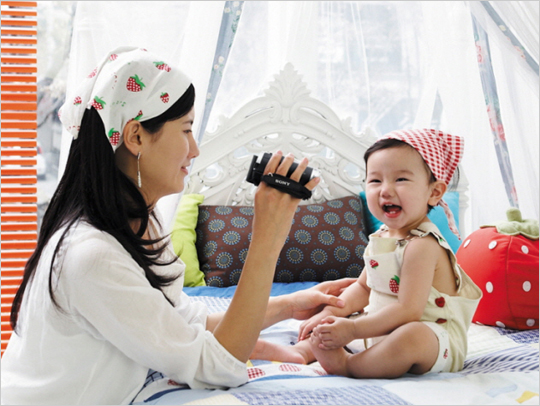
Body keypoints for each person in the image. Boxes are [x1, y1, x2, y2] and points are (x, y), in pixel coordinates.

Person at [0, 46, 355, 405]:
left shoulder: (137, 223)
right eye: (186, 129)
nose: (195, 149)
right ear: (136, 136)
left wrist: (288, 306)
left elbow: (183, 324)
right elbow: (217, 366)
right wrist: (268, 236)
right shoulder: (90, 257)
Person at [251, 129, 482, 379]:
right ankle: (302, 352)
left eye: (401, 179)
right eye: (375, 181)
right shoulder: (381, 237)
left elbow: (408, 311)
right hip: (383, 329)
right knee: (338, 317)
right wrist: (333, 313)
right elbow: (363, 288)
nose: (385, 190)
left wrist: (352, 329)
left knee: (411, 335)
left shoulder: (423, 245)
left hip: (434, 341)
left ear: (434, 192)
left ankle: (349, 365)